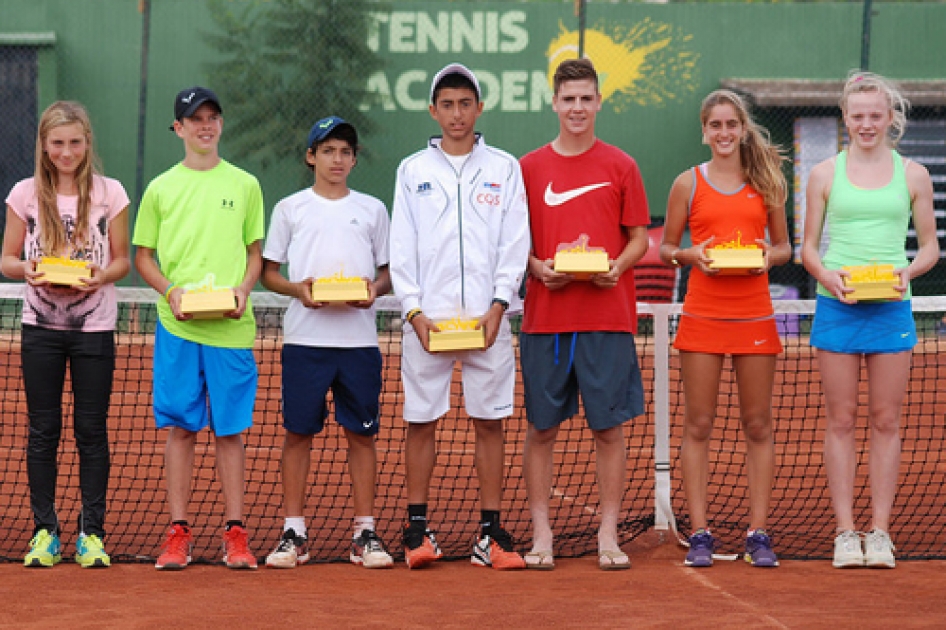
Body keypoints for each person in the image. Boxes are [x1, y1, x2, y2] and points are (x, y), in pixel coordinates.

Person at [389, 62, 530, 570]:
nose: (456, 113)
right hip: (427, 323)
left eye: (464, 104)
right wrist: (414, 312)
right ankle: (417, 530)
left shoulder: (505, 168)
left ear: (479, 108)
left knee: (490, 421)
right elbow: (400, 247)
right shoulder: (412, 171)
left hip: (488, 321)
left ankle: (489, 535)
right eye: (446, 104)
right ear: (433, 109)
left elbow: (515, 242)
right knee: (420, 420)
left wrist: (499, 305)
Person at [801, 71, 937, 569]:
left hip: (891, 307)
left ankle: (879, 532)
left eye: (875, 115)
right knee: (840, 420)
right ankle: (844, 532)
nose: (866, 123)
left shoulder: (914, 174)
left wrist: (906, 273)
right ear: (845, 117)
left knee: (886, 420)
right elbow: (809, 250)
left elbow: (928, 249)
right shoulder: (823, 174)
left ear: (889, 118)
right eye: (857, 115)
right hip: (838, 305)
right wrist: (829, 276)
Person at [519, 58, 649, 571]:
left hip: (607, 319)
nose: (577, 108)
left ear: (598, 102)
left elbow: (639, 238)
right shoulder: (528, 168)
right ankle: (541, 532)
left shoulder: (622, 165)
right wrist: (536, 267)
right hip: (545, 320)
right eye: (568, 98)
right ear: (554, 102)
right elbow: (516, 245)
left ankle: (609, 534)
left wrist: (616, 266)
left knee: (608, 431)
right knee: (541, 430)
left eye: (585, 98)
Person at [133, 87, 265, 570]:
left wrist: (244, 291)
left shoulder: (246, 184)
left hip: (230, 330)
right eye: (195, 119)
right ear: (179, 129)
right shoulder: (161, 188)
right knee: (182, 431)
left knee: (229, 431)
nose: (205, 125)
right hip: (179, 328)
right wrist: (172, 293)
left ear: (221, 124)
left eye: (212, 117)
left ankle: (235, 533)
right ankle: (179, 531)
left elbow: (255, 254)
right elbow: (142, 257)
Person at [659, 89, 791, 568]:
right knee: (698, 424)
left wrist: (761, 257)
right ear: (704, 131)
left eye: (731, 124)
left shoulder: (767, 181)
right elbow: (667, 248)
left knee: (758, 424)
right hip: (703, 314)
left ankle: (758, 532)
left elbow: (784, 249)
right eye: (715, 125)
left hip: (753, 313)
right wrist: (693, 256)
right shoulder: (686, 184)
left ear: (741, 127)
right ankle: (699, 533)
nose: (723, 133)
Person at [260, 116, 393, 569]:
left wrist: (374, 289)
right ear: (310, 156)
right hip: (305, 341)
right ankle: (293, 531)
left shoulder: (373, 209)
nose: (337, 159)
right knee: (298, 433)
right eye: (328, 150)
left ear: (354, 160)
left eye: (346, 152)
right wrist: (300, 289)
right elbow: (269, 272)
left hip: (359, 343)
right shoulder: (290, 208)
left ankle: (365, 532)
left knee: (362, 435)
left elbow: (388, 272)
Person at [1, 101, 130, 569]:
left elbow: (121, 260)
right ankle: (45, 532)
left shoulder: (110, 192)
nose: (66, 151)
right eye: (57, 143)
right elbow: (7, 260)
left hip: (94, 328)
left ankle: (91, 534)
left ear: (87, 143)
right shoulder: (23, 194)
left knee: (91, 431)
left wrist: (99, 275)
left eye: (75, 142)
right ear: (44, 145)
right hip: (40, 328)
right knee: (43, 430)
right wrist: (29, 270)